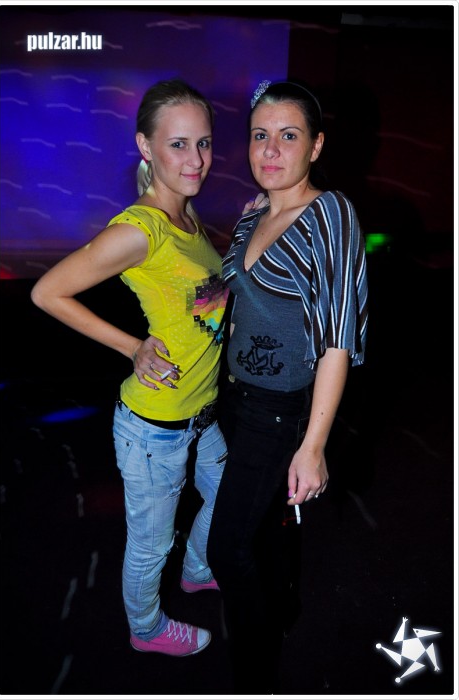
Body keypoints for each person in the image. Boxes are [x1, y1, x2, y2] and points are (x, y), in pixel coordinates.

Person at [31, 78, 230, 658]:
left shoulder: (186, 216)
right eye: (178, 144)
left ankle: (198, 570)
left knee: (231, 496)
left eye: (204, 143)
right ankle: (145, 630)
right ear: (146, 146)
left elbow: (203, 305)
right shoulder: (141, 228)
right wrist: (131, 347)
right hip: (154, 428)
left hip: (201, 413)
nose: (195, 160)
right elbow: (47, 292)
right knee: (150, 545)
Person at [207, 80, 369, 692]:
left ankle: (254, 675)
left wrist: (314, 446)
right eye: (260, 135)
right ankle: (279, 610)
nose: (270, 150)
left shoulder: (330, 215)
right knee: (263, 525)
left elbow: (338, 339)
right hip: (235, 398)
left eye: (289, 135)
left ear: (316, 145)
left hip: (277, 411)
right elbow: (239, 302)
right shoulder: (256, 213)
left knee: (227, 550)